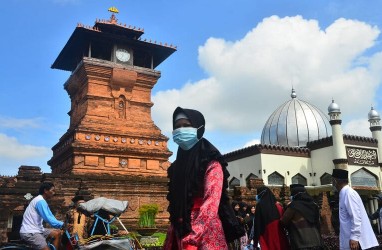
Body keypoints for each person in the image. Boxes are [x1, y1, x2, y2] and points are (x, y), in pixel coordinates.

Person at [163, 107, 244, 250]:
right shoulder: (177, 167)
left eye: (186, 126)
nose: (180, 130)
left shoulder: (211, 162)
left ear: (199, 129)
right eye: (177, 127)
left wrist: (196, 231)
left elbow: (211, 202)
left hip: (205, 231)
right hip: (180, 230)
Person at [332, 169, 379, 250]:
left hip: (358, 243)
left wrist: (354, 237)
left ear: (335, 181)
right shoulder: (343, 193)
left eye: (332, 180)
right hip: (352, 242)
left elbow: (356, 216)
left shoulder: (349, 193)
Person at [20, 182, 64, 250]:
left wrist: (61, 223)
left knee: (57, 233)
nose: (53, 193)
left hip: (38, 229)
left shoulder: (42, 200)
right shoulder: (40, 201)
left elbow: (50, 215)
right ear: (46, 191)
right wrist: (62, 225)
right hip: (30, 232)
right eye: (52, 190)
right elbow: (48, 218)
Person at [280, 184, 323, 250]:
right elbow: (319, 222)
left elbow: (283, 222)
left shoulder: (293, 206)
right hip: (316, 241)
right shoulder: (314, 205)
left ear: (295, 195)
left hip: (301, 243)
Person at [253, 186, 290, 250]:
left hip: (267, 234)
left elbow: (257, 224)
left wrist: (255, 242)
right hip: (279, 233)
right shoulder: (278, 206)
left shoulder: (260, 205)